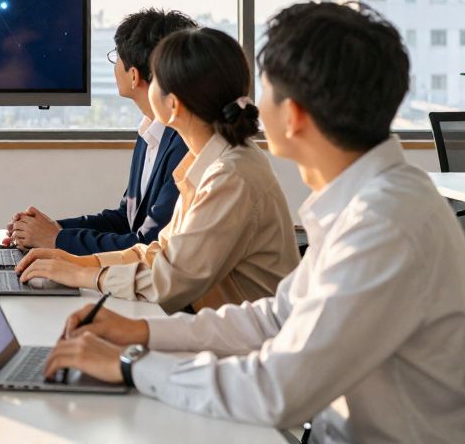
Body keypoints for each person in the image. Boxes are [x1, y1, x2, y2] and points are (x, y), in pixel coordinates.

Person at [45, 2, 465, 443]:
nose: (247, 106)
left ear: (293, 114)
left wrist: (130, 364)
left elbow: (277, 389)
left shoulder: (382, 223)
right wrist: (140, 332)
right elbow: (275, 320)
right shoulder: (372, 200)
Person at [17, 28, 298, 313]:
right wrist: (75, 261)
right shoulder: (207, 162)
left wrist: (81, 275)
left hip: (249, 344)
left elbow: (172, 282)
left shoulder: (230, 175)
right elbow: (159, 253)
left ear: (173, 105)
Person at [6, 8, 197, 254]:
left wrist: (56, 239)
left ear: (134, 75)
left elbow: (149, 243)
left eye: (116, 57)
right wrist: (47, 230)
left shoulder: (185, 143)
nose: (114, 64)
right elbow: (125, 220)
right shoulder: (150, 132)